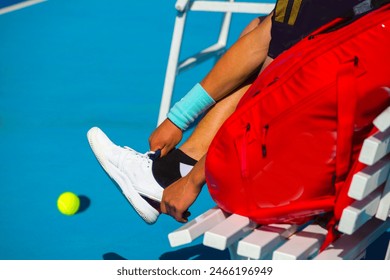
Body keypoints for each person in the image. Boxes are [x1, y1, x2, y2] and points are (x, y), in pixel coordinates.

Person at [87, 0, 367, 224]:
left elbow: (264, 107)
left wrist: (194, 181)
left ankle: (170, 173)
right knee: (264, 27)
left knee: (273, 54)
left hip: (308, 184)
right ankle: (168, 172)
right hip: (355, 167)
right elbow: (266, 35)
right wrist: (179, 119)